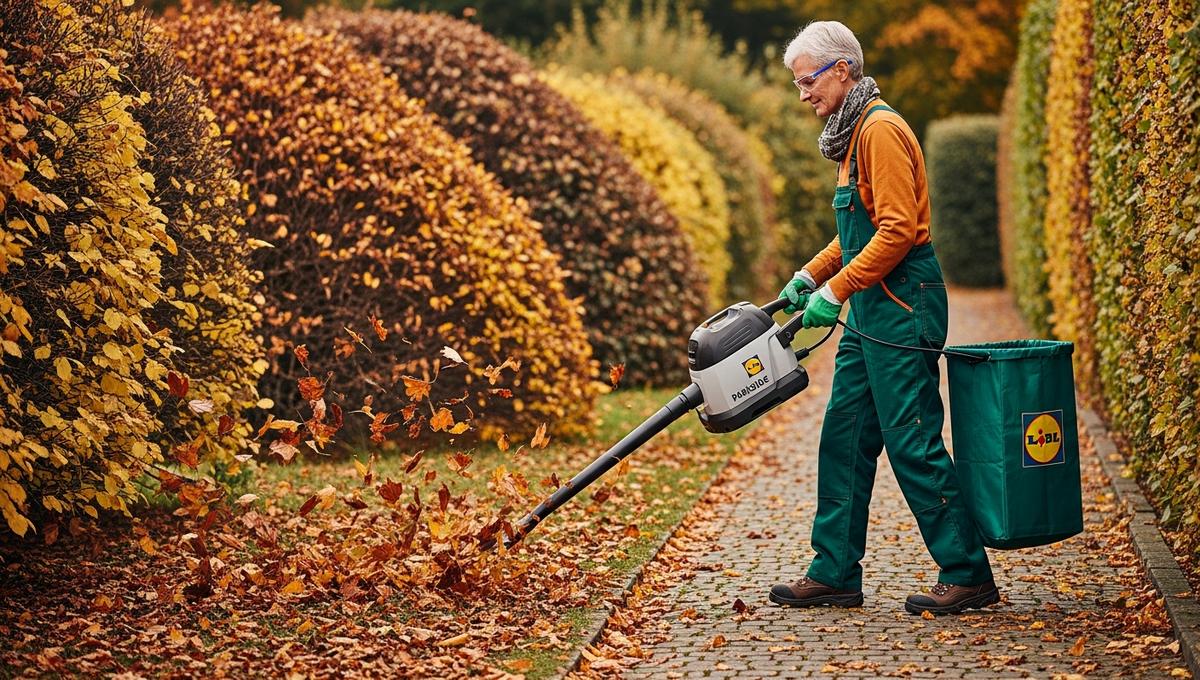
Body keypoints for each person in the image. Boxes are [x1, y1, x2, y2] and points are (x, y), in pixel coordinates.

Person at [768, 20, 999, 615]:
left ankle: (968, 573)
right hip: (872, 307)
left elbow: (897, 230)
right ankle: (835, 571)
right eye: (797, 84)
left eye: (808, 80)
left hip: (902, 304)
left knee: (912, 438)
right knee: (844, 435)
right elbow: (856, 231)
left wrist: (836, 289)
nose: (803, 95)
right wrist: (810, 276)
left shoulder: (880, 130)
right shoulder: (849, 134)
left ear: (842, 70)